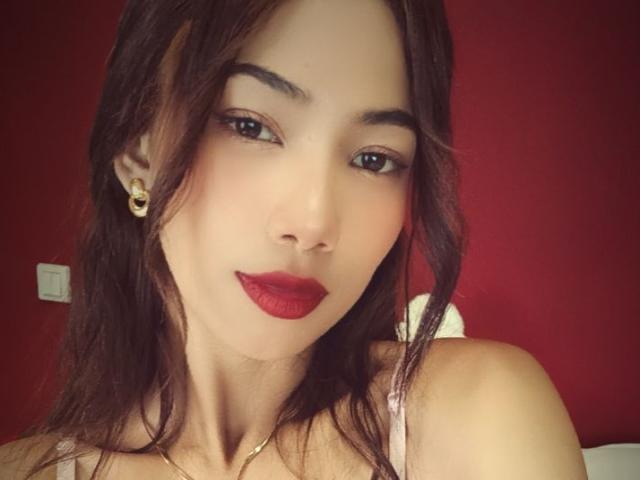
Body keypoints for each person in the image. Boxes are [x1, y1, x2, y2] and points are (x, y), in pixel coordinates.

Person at [0, 0, 587, 478]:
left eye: (375, 159)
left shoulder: (475, 416)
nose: (312, 224)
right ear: (136, 151)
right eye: (250, 126)